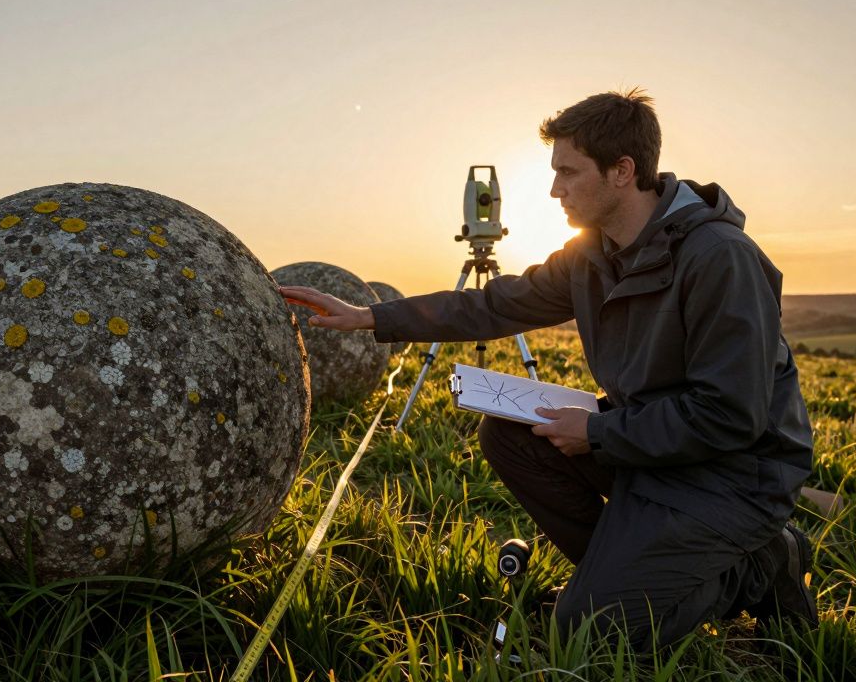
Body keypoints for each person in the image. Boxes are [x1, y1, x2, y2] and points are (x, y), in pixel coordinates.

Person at [278, 89, 817, 651]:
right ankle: (624, 573)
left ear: (622, 171)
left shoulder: (719, 258)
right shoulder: (592, 252)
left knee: (589, 635)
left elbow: (731, 416)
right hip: (652, 447)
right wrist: (370, 316)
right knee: (510, 434)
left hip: (732, 476)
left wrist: (599, 432)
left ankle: (760, 563)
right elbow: (495, 304)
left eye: (567, 172)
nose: (553, 188)